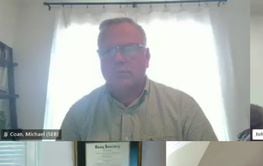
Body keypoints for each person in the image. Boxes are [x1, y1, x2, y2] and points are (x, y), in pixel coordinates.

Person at [60, 17, 217, 141]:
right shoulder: (77, 115)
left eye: (129, 49)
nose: (119, 58)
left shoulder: (183, 108)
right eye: (108, 51)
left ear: (147, 57)